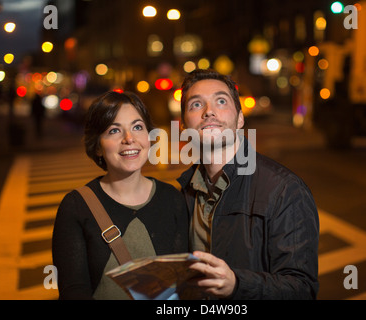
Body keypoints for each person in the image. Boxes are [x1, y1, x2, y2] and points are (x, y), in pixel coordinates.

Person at [177, 69, 319, 299]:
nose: (209, 112)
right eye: (196, 105)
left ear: (240, 119)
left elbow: (302, 289)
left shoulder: (284, 190)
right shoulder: (184, 192)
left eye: (221, 101)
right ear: (183, 125)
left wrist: (237, 284)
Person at [52, 91, 188, 299]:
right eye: (114, 130)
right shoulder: (76, 207)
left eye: (137, 127)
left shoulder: (173, 199)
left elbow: (182, 287)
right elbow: (73, 290)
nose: (129, 139)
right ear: (97, 146)